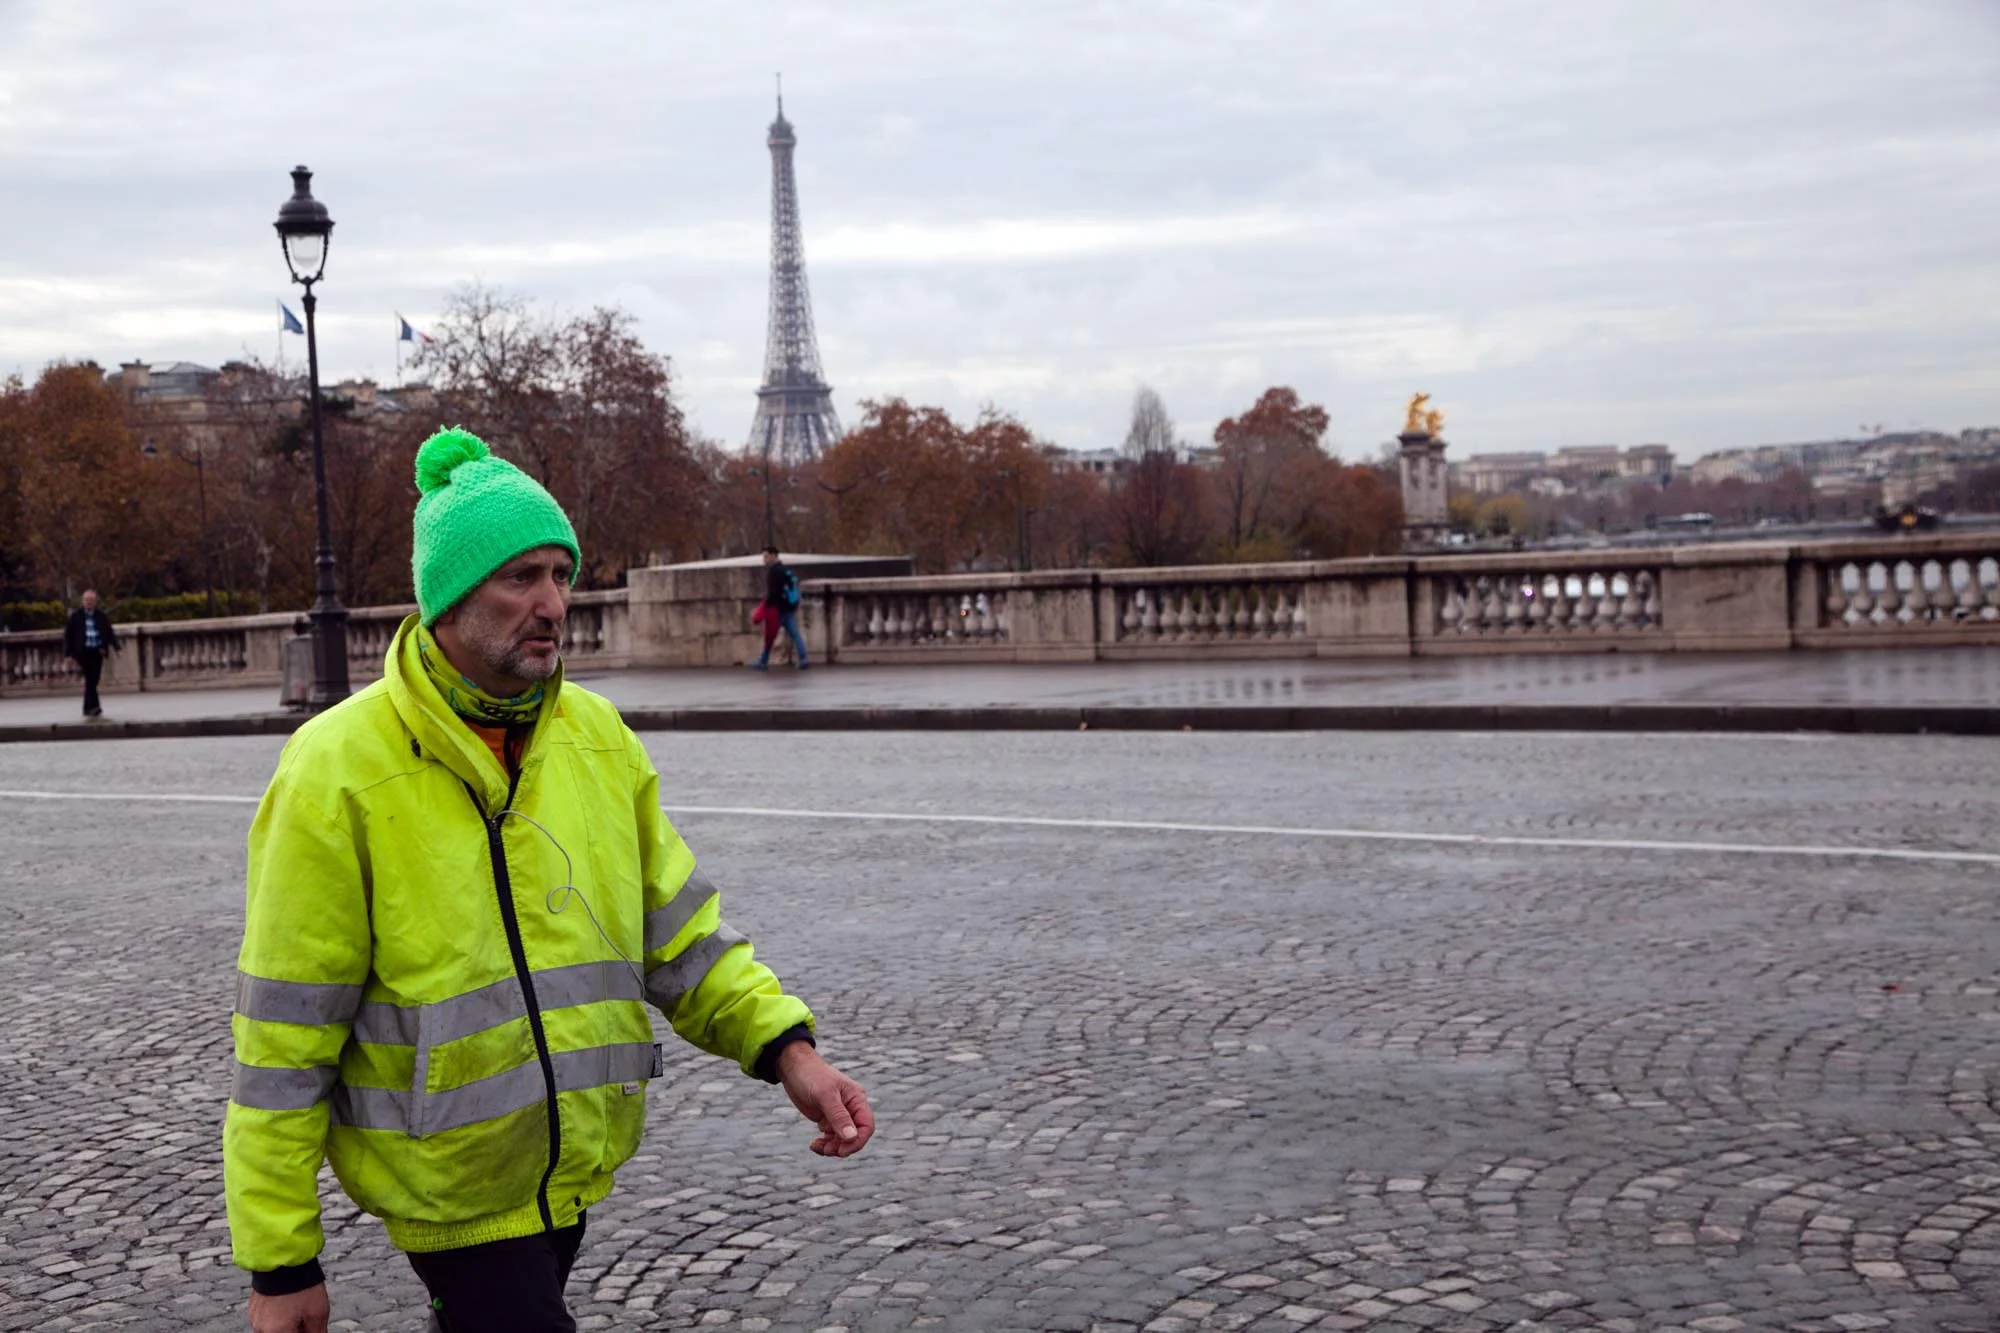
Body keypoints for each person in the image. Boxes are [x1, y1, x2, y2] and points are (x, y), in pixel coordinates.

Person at [224, 428, 873, 1333]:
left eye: (561, 574)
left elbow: (678, 935)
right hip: (446, 1190)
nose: (553, 603)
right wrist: (279, 1258)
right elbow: (284, 1036)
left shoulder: (599, 738)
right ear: (449, 598)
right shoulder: (334, 768)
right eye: (520, 576)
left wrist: (790, 1052)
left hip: (567, 1172)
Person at [62, 589, 120, 718]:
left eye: (91, 601)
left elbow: (109, 632)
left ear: (95, 602)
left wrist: (116, 647)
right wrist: (68, 654)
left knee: (93, 680)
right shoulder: (76, 616)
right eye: (87, 600)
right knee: (90, 679)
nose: (89, 603)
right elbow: (68, 636)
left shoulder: (100, 615)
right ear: (83, 601)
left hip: (97, 651)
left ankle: (88, 708)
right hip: (82, 651)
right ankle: (95, 707)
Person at [752, 544, 808, 671]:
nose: (764, 560)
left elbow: (773, 593)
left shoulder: (773, 572)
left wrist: (766, 606)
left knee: (770, 636)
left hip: (777, 610)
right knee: (795, 634)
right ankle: (804, 659)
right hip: (789, 607)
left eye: (766, 557)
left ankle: (763, 661)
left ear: (773, 556)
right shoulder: (784, 569)